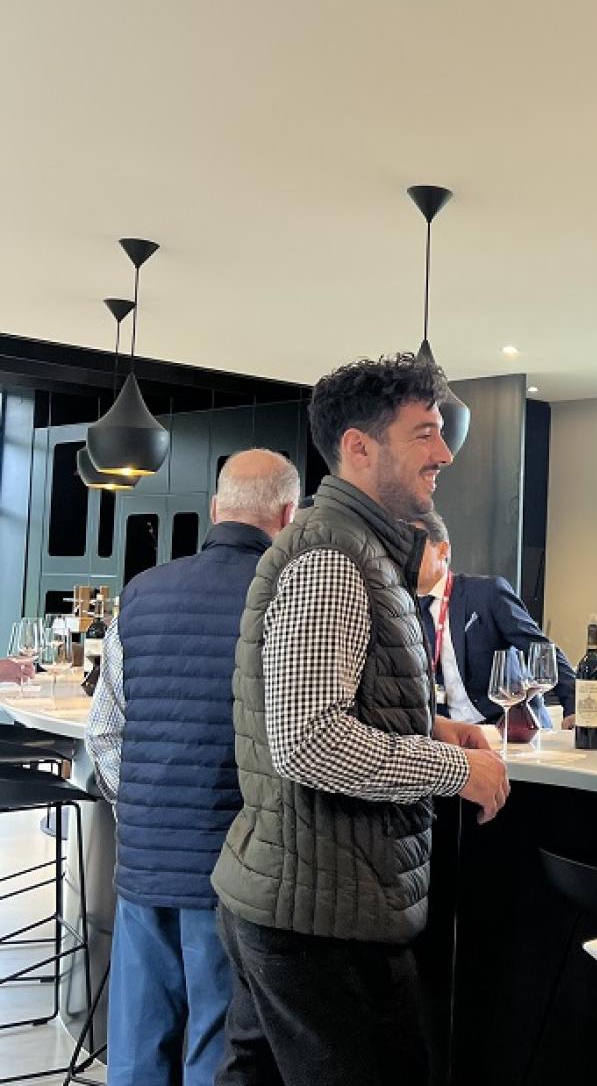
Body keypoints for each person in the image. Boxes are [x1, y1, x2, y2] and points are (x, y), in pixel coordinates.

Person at [210, 353, 510, 1086]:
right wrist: (457, 769)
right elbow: (310, 741)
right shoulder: (333, 557)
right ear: (359, 447)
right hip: (322, 919)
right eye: (424, 433)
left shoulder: (361, 549)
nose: (444, 453)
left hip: (307, 900)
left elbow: (330, 707)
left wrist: (431, 727)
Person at [84, 449, 301, 1086]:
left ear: (214, 510)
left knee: (136, 1047)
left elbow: (104, 733)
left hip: (144, 859)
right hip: (232, 865)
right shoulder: (286, 600)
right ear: (288, 515)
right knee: (216, 1047)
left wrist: (142, 806)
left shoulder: (140, 593)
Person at [409, 511, 576, 728]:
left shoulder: (486, 593)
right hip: (452, 735)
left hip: (509, 728)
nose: (406, 557)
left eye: (414, 548)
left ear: (443, 550)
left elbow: (541, 650)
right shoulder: (404, 609)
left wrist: (574, 707)